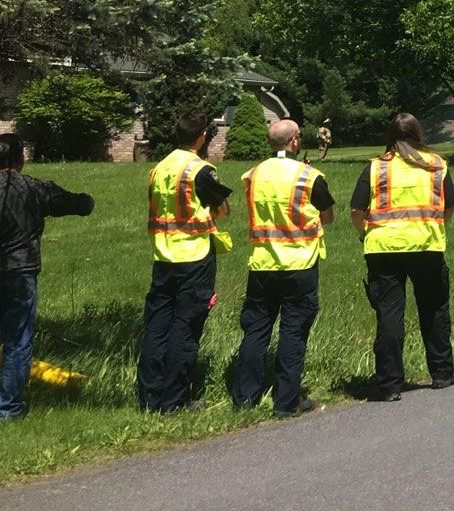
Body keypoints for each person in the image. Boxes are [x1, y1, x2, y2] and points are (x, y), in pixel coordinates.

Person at [349, 113, 454, 401]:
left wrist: (365, 234)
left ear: (390, 136)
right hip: (426, 246)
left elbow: (356, 211)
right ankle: (442, 373)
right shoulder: (436, 165)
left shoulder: (375, 168)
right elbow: (449, 207)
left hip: (383, 249)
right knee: (434, 309)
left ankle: (389, 384)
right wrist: (433, 226)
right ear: (418, 134)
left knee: (389, 314)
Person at [229, 120, 335, 417]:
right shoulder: (308, 176)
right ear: (294, 142)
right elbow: (327, 215)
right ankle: (286, 401)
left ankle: (244, 398)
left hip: (263, 262)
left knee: (255, 330)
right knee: (293, 331)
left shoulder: (253, 174)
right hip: (299, 263)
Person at [138, 109, 231, 413]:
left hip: (163, 256)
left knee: (156, 327)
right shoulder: (199, 170)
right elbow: (222, 210)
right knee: (185, 328)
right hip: (194, 257)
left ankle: (149, 397)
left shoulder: (159, 168)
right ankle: (174, 400)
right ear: (202, 136)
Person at [0, 133, 93, 420]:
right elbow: (80, 204)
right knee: (18, 340)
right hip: (20, 271)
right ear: (20, 158)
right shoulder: (33, 188)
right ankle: (8, 408)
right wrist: (86, 200)